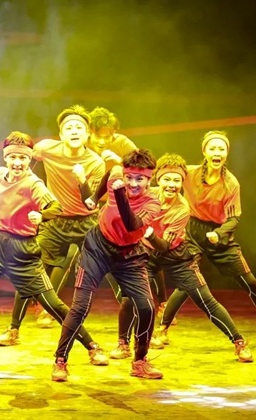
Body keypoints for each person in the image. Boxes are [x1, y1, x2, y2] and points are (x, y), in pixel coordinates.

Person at [0, 131, 109, 368]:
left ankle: (92, 346)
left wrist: (42, 215)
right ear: (5, 157)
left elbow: (55, 207)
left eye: (23, 158)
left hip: (22, 251)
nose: (17, 163)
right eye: (13, 157)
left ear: (29, 159)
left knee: (53, 305)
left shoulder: (33, 183)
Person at [155, 131, 256, 344]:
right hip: (191, 230)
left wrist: (219, 233)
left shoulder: (231, 183)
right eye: (212, 148)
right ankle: (162, 329)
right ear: (204, 152)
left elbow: (234, 218)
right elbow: (166, 175)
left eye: (221, 149)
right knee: (188, 281)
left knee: (249, 280)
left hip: (219, 233)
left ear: (226, 153)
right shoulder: (189, 174)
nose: (217, 152)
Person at [111, 153, 253, 363]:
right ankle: (123, 344)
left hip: (175, 255)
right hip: (146, 255)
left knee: (205, 299)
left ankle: (239, 341)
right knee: (129, 297)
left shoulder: (182, 209)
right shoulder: (147, 194)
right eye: (167, 179)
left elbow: (165, 246)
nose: (171, 185)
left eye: (177, 180)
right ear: (158, 179)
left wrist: (149, 233)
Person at [0, 105, 106, 341]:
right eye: (69, 128)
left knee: (97, 266)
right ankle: (13, 329)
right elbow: (23, 162)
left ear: (87, 134)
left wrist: (82, 179)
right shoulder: (46, 148)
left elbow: (91, 204)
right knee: (30, 268)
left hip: (85, 222)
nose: (74, 131)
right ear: (61, 134)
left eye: (79, 128)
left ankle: (129, 333)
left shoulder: (95, 163)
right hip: (55, 220)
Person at [52, 149, 163, 381]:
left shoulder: (152, 202)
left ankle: (140, 361)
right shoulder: (116, 176)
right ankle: (60, 360)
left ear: (149, 179)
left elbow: (132, 224)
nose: (133, 183)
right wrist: (95, 196)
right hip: (97, 248)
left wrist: (120, 193)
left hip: (129, 254)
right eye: (129, 177)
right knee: (80, 307)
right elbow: (111, 172)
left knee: (147, 307)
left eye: (140, 179)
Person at [89, 106, 171, 320]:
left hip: (129, 205)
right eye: (98, 136)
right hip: (105, 209)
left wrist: (118, 159)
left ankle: (155, 303)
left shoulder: (123, 144)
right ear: (90, 132)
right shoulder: (82, 143)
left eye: (108, 135)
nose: (103, 141)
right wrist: (93, 197)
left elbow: (141, 167)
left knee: (142, 252)